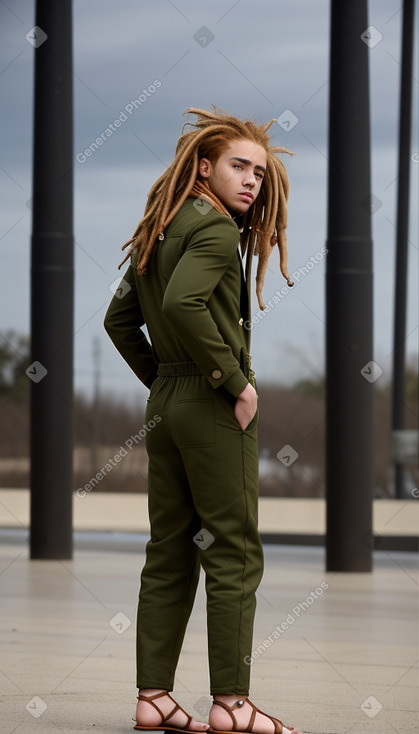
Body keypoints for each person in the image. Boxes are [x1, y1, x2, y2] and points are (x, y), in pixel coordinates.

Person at [104, 107, 301, 734]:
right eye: (239, 167)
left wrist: (166, 382)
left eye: (260, 174)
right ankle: (233, 705)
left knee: (169, 549)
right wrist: (233, 383)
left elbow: (120, 321)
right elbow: (184, 302)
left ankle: (154, 696)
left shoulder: (161, 228)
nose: (252, 183)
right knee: (235, 552)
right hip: (212, 407)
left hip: (166, 404)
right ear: (205, 166)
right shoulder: (214, 230)